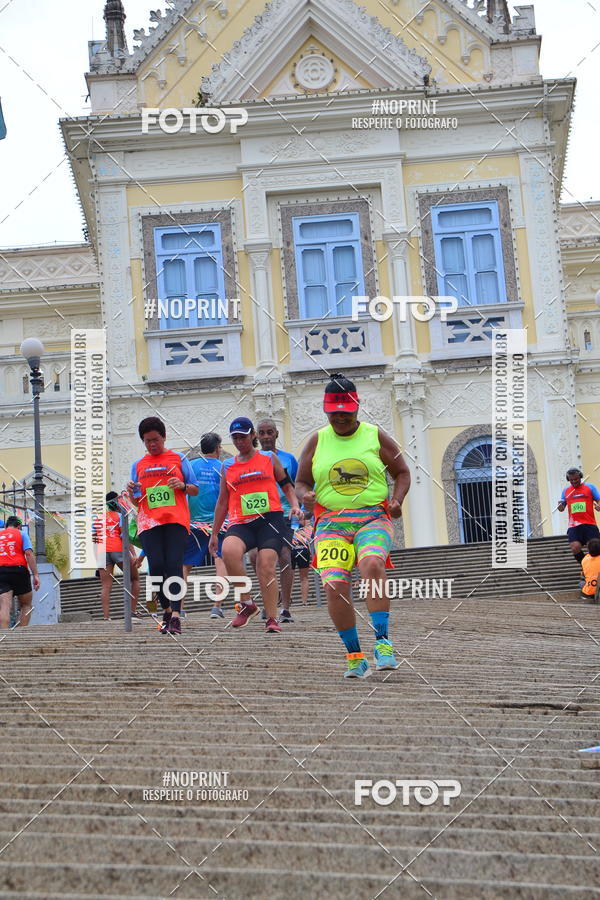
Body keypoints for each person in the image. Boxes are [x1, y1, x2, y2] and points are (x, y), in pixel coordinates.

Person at [296, 374, 410, 679]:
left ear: (357, 407)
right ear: (326, 411)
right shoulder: (317, 441)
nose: (340, 418)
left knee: (372, 563)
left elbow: (402, 473)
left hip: (372, 516)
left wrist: (396, 500)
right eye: (334, 413)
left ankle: (383, 643)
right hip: (331, 523)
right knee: (334, 584)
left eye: (346, 412)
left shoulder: (375, 436)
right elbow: (302, 480)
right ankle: (354, 655)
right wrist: (304, 495)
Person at [209, 417, 302, 634]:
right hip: (242, 521)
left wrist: (295, 505)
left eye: (243, 437)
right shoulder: (228, 466)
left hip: (270, 519)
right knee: (229, 551)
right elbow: (222, 501)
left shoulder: (269, 459)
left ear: (253, 436)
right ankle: (247, 603)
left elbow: (287, 486)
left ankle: (271, 618)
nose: (240, 441)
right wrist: (214, 533)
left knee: (266, 564)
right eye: (235, 438)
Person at [127, 417, 198, 635]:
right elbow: (137, 501)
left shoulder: (178, 458)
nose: (152, 445)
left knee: (174, 564)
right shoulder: (138, 466)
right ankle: (166, 609)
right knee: (156, 566)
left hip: (175, 519)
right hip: (149, 521)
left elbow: (195, 488)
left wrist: (183, 485)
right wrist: (131, 492)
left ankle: (176, 615)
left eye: (156, 440)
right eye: (147, 441)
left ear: (164, 437)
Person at [254, 419, 299, 624]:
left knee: (285, 557)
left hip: (285, 513)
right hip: (261, 514)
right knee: (257, 557)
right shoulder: (252, 459)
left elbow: (296, 486)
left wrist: (301, 511)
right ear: (256, 436)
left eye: (269, 432)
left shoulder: (289, 459)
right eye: (261, 433)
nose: (265, 437)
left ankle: (286, 608)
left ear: (276, 434)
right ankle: (270, 599)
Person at [183, 432, 228, 619]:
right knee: (220, 561)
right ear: (217, 449)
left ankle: (181, 607)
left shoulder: (191, 466)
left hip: (193, 523)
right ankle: (216, 606)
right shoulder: (223, 467)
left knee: (185, 565)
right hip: (219, 524)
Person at [92, 491, 142, 622]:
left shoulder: (98, 518)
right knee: (135, 579)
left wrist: (97, 561)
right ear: (117, 501)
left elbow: (95, 541)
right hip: (118, 548)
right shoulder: (121, 516)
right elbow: (125, 537)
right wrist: (134, 555)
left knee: (106, 586)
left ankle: (106, 617)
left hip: (102, 552)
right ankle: (131, 611)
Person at [0, 515, 40, 629]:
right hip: (19, 570)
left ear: (6, 526)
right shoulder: (22, 534)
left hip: (1, 571)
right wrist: (36, 575)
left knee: (5, 606)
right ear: (19, 526)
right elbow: (28, 554)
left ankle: (4, 639)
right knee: (26, 604)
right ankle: (20, 634)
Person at [557, 468, 600, 570]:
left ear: (580, 477)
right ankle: (586, 567)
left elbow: (599, 500)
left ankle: (596, 568)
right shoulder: (566, 491)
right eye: (571, 480)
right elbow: (562, 506)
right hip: (574, 525)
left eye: (576, 479)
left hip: (589, 524)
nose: (574, 482)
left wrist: (599, 506)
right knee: (575, 547)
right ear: (568, 480)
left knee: (595, 548)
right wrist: (560, 507)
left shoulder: (590, 488)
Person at [291, 516, 313, 606]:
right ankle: (304, 601)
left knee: (290, 578)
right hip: (303, 551)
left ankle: (288, 600)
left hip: (292, 550)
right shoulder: (308, 529)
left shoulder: (291, 528)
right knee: (304, 578)